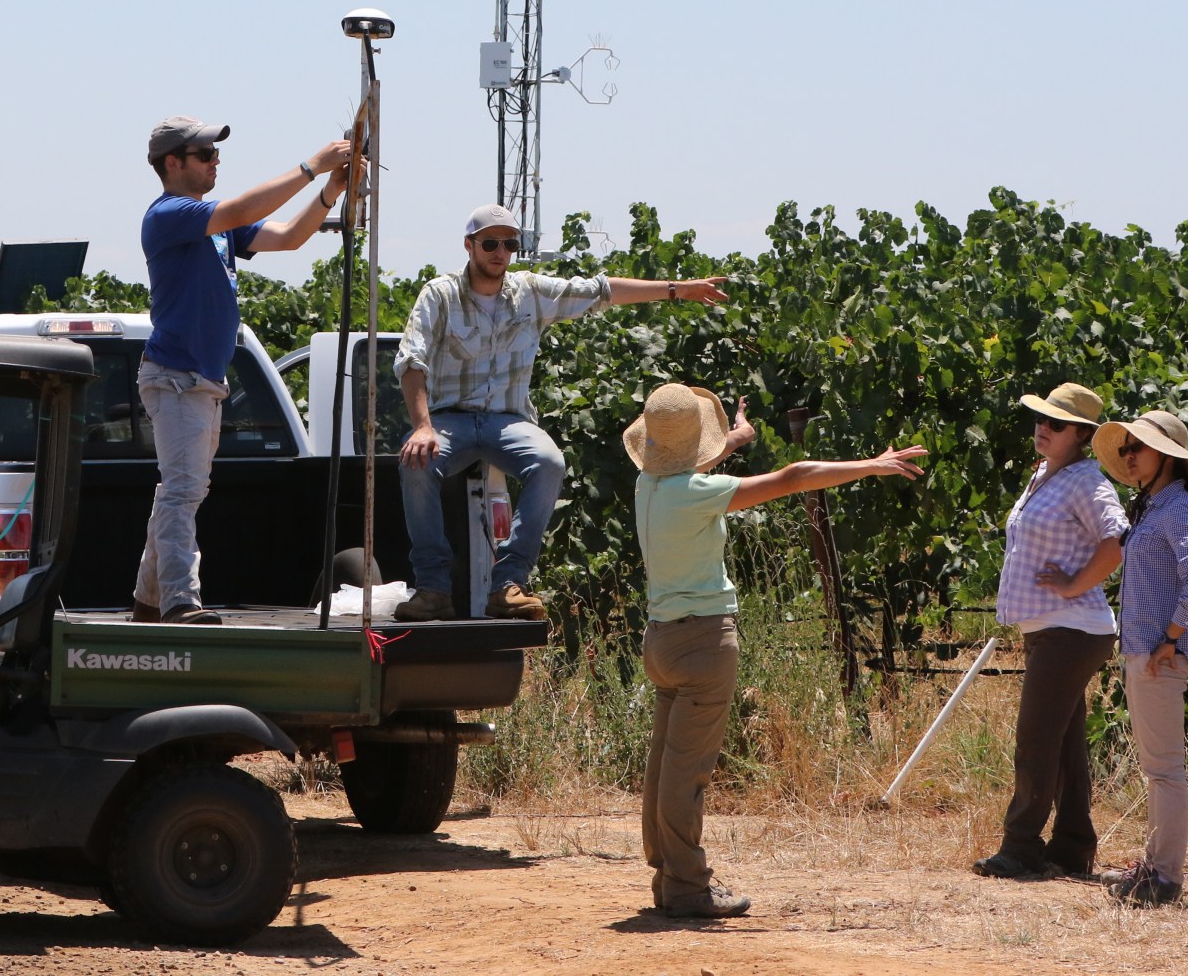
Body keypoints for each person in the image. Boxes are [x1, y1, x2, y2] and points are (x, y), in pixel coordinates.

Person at [626, 382, 926, 918]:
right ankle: (689, 886)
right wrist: (870, 465)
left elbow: (685, 465)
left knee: (664, 765)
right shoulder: (698, 493)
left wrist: (736, 439)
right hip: (703, 643)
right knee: (687, 771)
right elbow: (794, 477)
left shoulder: (647, 484)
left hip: (661, 639)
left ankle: (667, 878)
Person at [391, 203, 731, 621]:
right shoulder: (439, 294)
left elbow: (602, 290)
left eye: (510, 243)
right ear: (469, 246)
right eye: (491, 243)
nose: (501, 251)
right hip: (451, 420)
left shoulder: (530, 292)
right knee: (415, 462)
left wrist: (677, 289)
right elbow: (411, 360)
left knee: (549, 462)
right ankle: (433, 588)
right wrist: (423, 427)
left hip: (507, 418)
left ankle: (509, 583)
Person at [135, 116, 356, 624]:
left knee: (180, 491)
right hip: (177, 378)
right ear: (174, 163)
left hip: (200, 381)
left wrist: (330, 191)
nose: (217, 162)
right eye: (206, 154)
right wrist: (311, 167)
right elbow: (240, 209)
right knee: (185, 491)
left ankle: (148, 602)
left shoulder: (212, 226)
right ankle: (179, 602)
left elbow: (289, 237)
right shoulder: (169, 214)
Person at [972, 382, 1129, 882]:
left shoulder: (1087, 481)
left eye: (1055, 423)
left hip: (1073, 629)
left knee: (1035, 740)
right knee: (1062, 744)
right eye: (1040, 419)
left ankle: (1020, 848)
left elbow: (1116, 539)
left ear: (1081, 435)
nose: (1042, 428)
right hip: (1052, 628)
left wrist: (1075, 584)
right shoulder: (1043, 473)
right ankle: (1072, 848)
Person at [1094, 409, 1188, 907]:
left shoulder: (1177, 508)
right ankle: (1156, 871)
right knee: (1158, 768)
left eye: (1136, 448)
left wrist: (1170, 638)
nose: (1127, 456)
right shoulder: (1154, 508)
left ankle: (1164, 878)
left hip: (1159, 656)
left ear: (1165, 455)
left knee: (1163, 769)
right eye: (1124, 449)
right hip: (1147, 653)